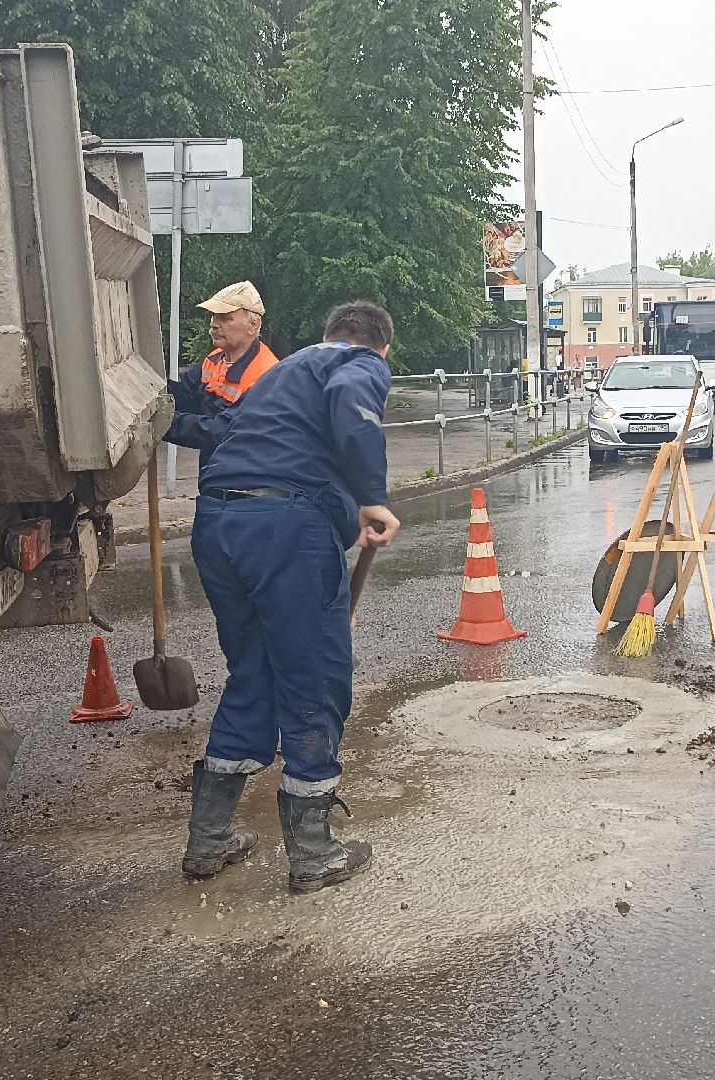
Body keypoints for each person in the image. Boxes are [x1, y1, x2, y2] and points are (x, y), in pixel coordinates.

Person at [180, 300, 400, 893]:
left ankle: (208, 840)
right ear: (379, 347)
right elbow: (354, 410)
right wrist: (373, 496)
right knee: (313, 678)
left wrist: (347, 506)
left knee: (252, 675)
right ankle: (313, 852)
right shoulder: (358, 362)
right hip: (282, 530)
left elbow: (269, 444)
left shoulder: (284, 372)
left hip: (219, 525)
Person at [167, 281, 281, 469]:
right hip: (217, 478)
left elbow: (220, 432)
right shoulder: (214, 360)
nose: (213, 324)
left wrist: (161, 423)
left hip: (245, 485)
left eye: (225, 318)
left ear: (253, 325)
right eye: (213, 316)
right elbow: (186, 398)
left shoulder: (265, 375)